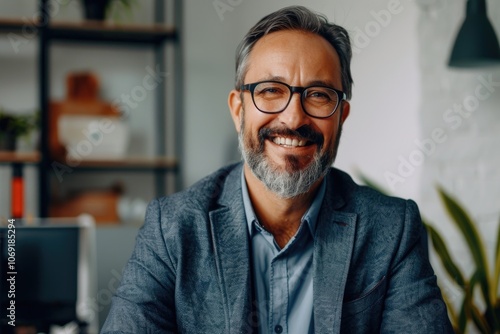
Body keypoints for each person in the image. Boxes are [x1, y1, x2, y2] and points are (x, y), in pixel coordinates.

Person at [102, 6, 453, 334]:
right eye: (270, 90)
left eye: (318, 95)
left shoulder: (392, 229)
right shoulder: (172, 228)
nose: (294, 117)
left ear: (341, 116)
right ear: (238, 109)